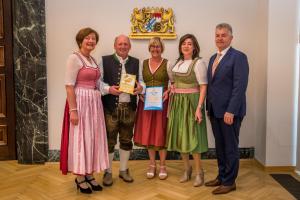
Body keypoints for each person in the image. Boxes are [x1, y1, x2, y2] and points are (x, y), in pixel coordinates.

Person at [60, 27, 109, 194]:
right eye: (87, 38)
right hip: (80, 103)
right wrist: (73, 110)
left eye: (94, 38)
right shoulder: (74, 58)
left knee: (92, 138)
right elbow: (69, 86)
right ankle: (80, 177)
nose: (91, 41)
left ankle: (89, 173)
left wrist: (111, 90)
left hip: (94, 105)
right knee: (80, 138)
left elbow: (98, 84)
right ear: (80, 40)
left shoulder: (93, 60)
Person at [205, 23, 249, 195]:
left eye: (224, 35)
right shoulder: (212, 58)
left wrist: (230, 111)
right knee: (220, 146)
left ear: (231, 37)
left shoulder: (238, 57)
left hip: (230, 112)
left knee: (230, 146)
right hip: (215, 110)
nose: (220, 38)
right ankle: (222, 176)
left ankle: (230, 181)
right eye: (217, 35)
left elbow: (240, 87)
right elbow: (212, 86)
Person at [100, 34, 144, 186]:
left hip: (129, 107)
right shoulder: (104, 60)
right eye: (120, 44)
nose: (123, 46)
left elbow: (141, 81)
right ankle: (108, 171)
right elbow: (97, 83)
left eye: (126, 44)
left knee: (126, 140)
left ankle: (124, 170)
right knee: (109, 141)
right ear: (115, 46)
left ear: (129, 46)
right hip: (110, 107)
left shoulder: (136, 62)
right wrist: (108, 89)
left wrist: (141, 87)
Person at [166, 34, 208, 187]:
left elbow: (203, 86)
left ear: (194, 47)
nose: (186, 46)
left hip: (191, 103)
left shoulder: (198, 63)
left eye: (189, 43)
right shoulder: (177, 63)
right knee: (181, 136)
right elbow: (174, 82)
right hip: (178, 103)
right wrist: (172, 88)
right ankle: (187, 169)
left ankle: (199, 172)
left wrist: (199, 108)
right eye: (183, 43)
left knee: (193, 137)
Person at [133, 37, 172, 180]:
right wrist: (141, 93)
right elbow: (141, 83)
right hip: (146, 102)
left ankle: (162, 165)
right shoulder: (143, 63)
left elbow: (173, 83)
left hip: (162, 102)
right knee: (149, 132)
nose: (155, 49)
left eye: (158, 46)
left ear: (162, 48)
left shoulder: (168, 63)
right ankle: (151, 164)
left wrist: (168, 92)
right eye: (153, 47)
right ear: (149, 48)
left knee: (161, 132)